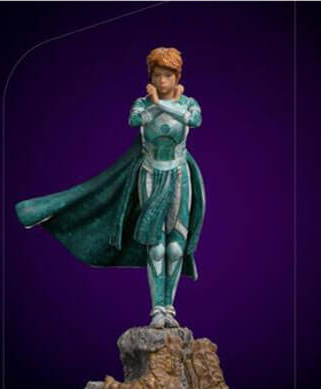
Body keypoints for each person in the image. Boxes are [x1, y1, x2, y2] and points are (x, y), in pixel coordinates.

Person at [15, 47, 205, 328]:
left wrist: (159, 103)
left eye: (168, 75)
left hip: (178, 176)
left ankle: (170, 308)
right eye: (157, 75)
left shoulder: (188, 104)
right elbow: (135, 120)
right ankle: (157, 310)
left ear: (177, 77)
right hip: (150, 173)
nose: (163, 81)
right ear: (151, 77)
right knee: (156, 247)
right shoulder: (142, 104)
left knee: (176, 248)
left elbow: (194, 120)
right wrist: (154, 103)